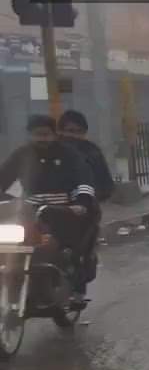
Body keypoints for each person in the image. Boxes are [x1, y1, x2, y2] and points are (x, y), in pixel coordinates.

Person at [0, 114, 98, 301]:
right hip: (31, 212)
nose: (41, 139)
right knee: (13, 244)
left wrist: (82, 203)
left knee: (71, 248)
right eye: (37, 134)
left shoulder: (69, 154)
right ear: (29, 135)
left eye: (45, 134)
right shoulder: (22, 154)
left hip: (63, 210)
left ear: (54, 134)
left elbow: (83, 179)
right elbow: (3, 178)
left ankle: (75, 285)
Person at [57, 110, 113, 296]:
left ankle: (78, 287)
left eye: (78, 131)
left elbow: (105, 183)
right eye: (69, 130)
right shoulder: (49, 150)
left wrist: (91, 198)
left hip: (83, 208)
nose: (73, 136)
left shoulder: (91, 152)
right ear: (60, 131)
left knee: (81, 246)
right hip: (50, 206)